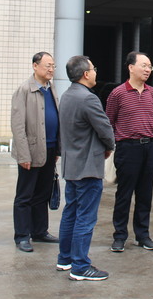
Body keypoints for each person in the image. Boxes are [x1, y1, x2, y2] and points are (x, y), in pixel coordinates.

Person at [57, 56, 116, 281]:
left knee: (71, 213)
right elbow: (105, 129)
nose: (95, 72)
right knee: (85, 217)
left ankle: (65, 259)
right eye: (93, 69)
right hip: (88, 167)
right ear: (85, 74)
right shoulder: (88, 98)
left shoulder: (67, 95)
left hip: (71, 165)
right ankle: (80, 266)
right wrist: (109, 147)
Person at [106, 51, 153, 252]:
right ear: (130, 67)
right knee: (124, 194)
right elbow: (109, 121)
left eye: (150, 67)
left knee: (145, 194)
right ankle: (119, 236)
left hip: (149, 147)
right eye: (144, 66)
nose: (148, 70)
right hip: (127, 148)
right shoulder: (117, 93)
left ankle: (142, 235)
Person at [10, 52, 61, 252]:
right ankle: (22, 236)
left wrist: (57, 148)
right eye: (47, 65)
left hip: (49, 148)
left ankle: (39, 231)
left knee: (43, 193)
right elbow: (17, 126)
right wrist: (24, 155)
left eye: (53, 66)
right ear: (35, 66)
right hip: (31, 151)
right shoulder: (24, 90)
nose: (51, 69)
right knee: (25, 195)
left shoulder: (51, 88)